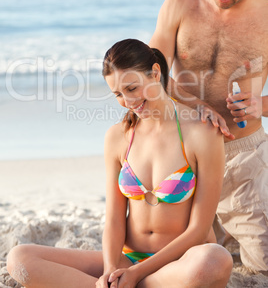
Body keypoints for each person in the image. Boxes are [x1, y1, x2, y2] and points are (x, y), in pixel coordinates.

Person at [7, 39, 233, 287]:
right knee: (20, 258)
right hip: (128, 260)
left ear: (155, 73)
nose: (128, 101)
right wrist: (111, 269)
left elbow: (199, 230)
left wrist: (137, 275)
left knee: (215, 260)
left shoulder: (202, 134)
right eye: (118, 94)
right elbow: (114, 219)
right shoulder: (118, 137)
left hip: (181, 263)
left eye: (132, 88)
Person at [149, 0, 268, 273]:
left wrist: (261, 104)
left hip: (243, 154)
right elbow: (150, 78)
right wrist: (191, 106)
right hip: (183, 150)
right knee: (180, 261)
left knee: (262, 266)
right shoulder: (180, 3)